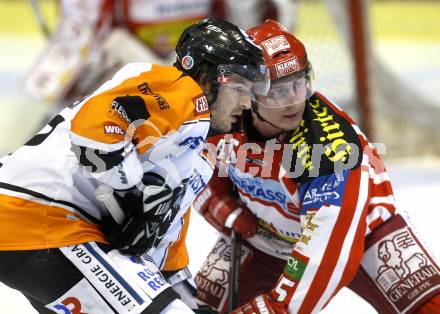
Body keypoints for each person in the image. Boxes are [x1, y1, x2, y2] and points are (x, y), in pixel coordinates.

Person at [0, 17, 270, 314]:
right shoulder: (178, 89)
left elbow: (165, 247)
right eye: (240, 87)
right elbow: (92, 137)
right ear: (206, 80)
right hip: (40, 215)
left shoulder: (197, 155)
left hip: (39, 229)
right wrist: (134, 192)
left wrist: (194, 302)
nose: (247, 103)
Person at [192, 20, 440, 313]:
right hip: (262, 236)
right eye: (278, 91)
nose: (293, 102)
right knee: (201, 306)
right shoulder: (223, 113)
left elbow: (327, 252)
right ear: (248, 93)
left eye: (299, 84)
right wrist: (214, 198)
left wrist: (276, 307)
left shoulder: (330, 148)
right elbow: (188, 159)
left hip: (363, 232)